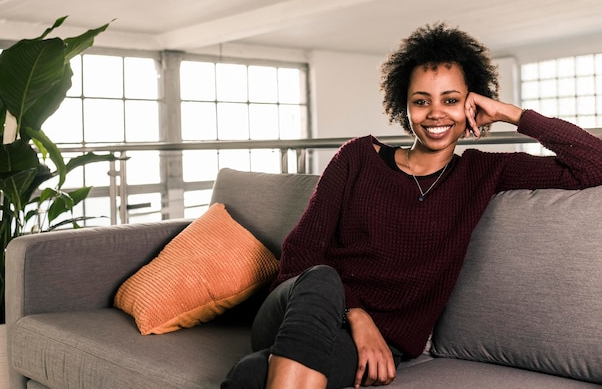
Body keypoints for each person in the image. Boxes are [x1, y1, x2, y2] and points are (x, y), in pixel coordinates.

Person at [221, 22, 602, 389]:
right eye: (422, 102)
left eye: (451, 100)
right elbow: (299, 257)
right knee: (322, 277)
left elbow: (593, 164)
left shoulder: (484, 171)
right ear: (403, 106)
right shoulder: (357, 157)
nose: (436, 113)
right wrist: (356, 316)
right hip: (298, 308)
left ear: (472, 104)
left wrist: (510, 113)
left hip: (379, 345)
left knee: (251, 378)